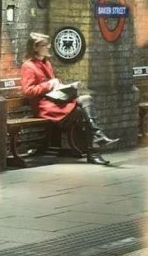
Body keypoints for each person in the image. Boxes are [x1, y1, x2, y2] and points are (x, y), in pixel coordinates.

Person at [21, 33, 119, 165]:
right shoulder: (28, 66)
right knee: (84, 112)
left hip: (56, 102)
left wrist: (66, 86)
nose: (48, 47)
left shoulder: (47, 63)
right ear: (35, 48)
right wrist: (49, 84)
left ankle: (97, 139)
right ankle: (95, 147)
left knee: (86, 99)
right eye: (45, 45)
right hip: (44, 106)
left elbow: (53, 86)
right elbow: (28, 91)